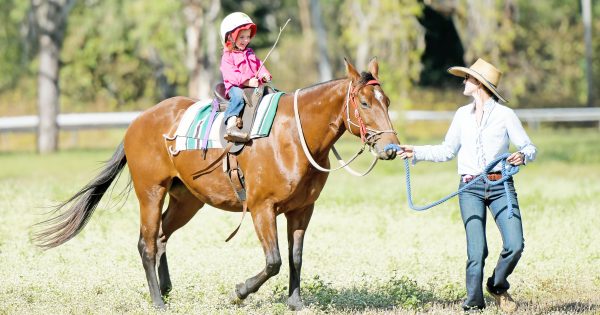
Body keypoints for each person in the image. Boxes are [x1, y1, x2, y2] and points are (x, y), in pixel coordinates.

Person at [398, 58, 537, 313]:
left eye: (468, 78)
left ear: (480, 84)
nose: (464, 81)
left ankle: (496, 285)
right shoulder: (462, 115)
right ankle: (473, 303)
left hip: (500, 186)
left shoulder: (506, 115)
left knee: (515, 244)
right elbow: (447, 150)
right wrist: (414, 151)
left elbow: (529, 146)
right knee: (477, 251)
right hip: (469, 189)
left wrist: (523, 155)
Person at [219, 12, 272, 142]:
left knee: (270, 92)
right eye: (242, 37)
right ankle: (231, 124)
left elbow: (258, 65)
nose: (246, 40)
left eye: (248, 37)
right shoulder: (227, 56)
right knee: (237, 96)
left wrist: (264, 75)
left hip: (252, 85)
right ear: (230, 37)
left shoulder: (250, 53)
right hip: (235, 87)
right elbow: (233, 76)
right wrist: (248, 82)